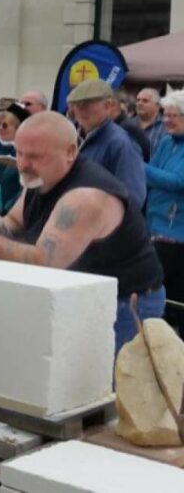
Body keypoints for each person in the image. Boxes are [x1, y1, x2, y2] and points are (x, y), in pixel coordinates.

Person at [0, 112, 164, 354]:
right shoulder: (41, 177)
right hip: (87, 292)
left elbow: (43, 262)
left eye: (35, 156)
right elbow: (14, 220)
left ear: (70, 152)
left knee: (105, 385)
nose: (23, 164)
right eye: (19, 153)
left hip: (126, 303)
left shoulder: (85, 197)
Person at [67, 79, 147, 207]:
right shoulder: (71, 137)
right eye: (76, 105)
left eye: (87, 104)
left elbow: (133, 197)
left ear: (108, 105)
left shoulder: (121, 143)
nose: (81, 110)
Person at [145, 89, 184, 332]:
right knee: (160, 295)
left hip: (177, 234)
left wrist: (139, 167)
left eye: (174, 116)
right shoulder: (167, 140)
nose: (166, 121)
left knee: (172, 295)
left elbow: (178, 181)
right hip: (156, 224)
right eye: (165, 115)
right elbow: (156, 173)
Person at [135, 87, 167, 152]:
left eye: (145, 101)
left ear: (157, 106)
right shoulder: (128, 125)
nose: (140, 103)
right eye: (138, 100)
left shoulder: (167, 126)